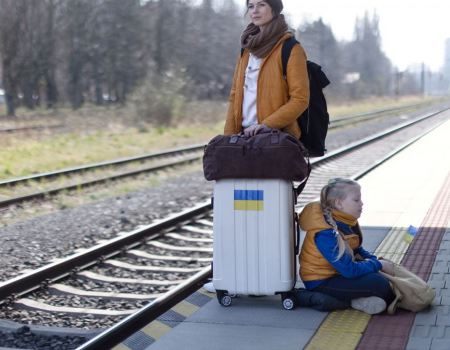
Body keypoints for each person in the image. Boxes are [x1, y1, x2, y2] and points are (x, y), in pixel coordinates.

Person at [298, 178, 396, 314]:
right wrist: (378, 265)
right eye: (356, 200)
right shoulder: (326, 233)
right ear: (339, 204)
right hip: (320, 282)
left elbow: (356, 250)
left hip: (337, 274)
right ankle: (353, 301)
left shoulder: (345, 220)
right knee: (379, 283)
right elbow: (349, 270)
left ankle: (361, 300)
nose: (362, 204)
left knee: (383, 276)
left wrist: (376, 261)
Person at [224, 0, 309, 139]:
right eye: (250, 6)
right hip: (243, 136)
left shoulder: (290, 48)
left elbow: (300, 98)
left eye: (261, 5)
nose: (254, 10)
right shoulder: (246, 50)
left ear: (274, 9)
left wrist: (267, 125)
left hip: (276, 137)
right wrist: (228, 137)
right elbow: (234, 96)